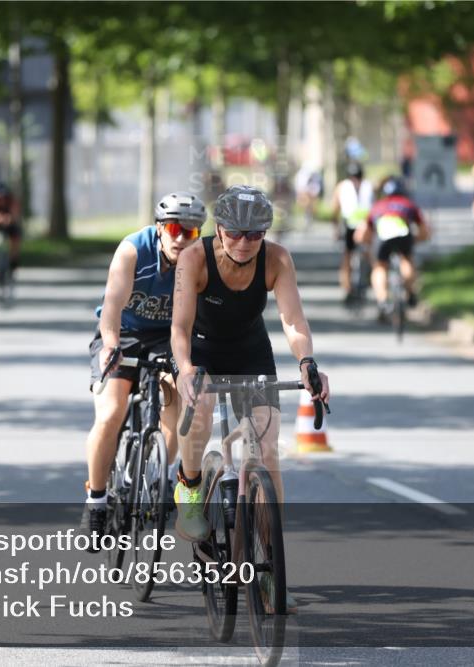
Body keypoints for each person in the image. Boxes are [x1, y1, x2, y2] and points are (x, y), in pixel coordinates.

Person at [171, 185, 330, 612]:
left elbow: (293, 319)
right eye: (236, 233)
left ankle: (270, 571)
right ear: (219, 230)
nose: (245, 243)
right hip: (200, 350)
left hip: (250, 351)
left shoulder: (276, 259)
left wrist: (307, 362)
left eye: (255, 234)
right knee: (200, 407)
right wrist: (186, 371)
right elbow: (180, 328)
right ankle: (188, 485)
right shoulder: (194, 258)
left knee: (267, 453)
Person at [80, 192, 208, 551]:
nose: (182, 238)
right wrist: (109, 345)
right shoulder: (133, 250)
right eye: (174, 229)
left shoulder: (200, 260)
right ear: (159, 228)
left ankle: (160, 475)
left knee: (180, 397)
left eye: (191, 232)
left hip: (171, 339)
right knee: (111, 413)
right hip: (123, 334)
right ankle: (97, 501)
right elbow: (112, 307)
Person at [356, 175, 431, 311]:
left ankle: (383, 299)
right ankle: (410, 293)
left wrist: (367, 244)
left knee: (380, 267)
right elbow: (424, 230)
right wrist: (416, 240)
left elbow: (362, 233)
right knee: (406, 260)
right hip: (403, 235)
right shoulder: (408, 204)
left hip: (383, 237)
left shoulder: (377, 206)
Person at [331, 163, 374, 302]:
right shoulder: (369, 185)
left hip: (351, 224)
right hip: (365, 225)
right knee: (367, 254)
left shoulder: (342, 186)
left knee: (347, 257)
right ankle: (372, 279)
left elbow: (335, 209)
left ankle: (348, 287)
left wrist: (336, 228)